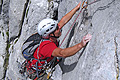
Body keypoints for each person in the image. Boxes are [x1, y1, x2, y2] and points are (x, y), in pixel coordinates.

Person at [32, 1, 92, 79]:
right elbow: (62, 53)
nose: (59, 28)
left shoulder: (50, 34)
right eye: (56, 28)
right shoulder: (46, 47)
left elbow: (63, 21)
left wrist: (77, 7)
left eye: (57, 26)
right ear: (50, 34)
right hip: (38, 74)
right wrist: (81, 45)